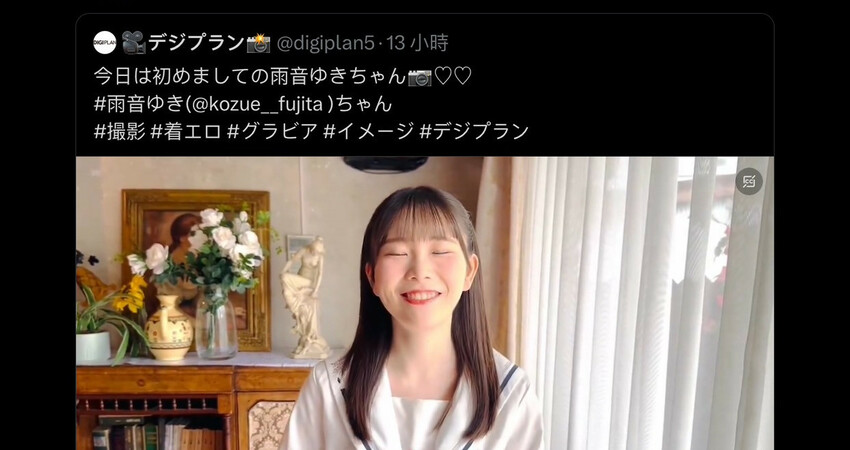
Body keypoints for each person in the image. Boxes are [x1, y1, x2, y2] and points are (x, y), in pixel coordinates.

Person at [281, 186, 544, 449]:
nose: (420, 271)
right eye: (398, 253)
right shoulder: (327, 386)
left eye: (440, 252)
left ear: (469, 271)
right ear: (372, 276)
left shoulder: (511, 392)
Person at [281, 237, 329, 357]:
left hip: (309, 283)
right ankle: (295, 307)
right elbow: (292, 261)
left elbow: (320, 275)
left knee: (286, 279)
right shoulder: (304, 250)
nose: (315, 253)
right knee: (285, 278)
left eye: (317, 252)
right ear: (311, 247)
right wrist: (283, 271)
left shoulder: (320, 257)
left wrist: (315, 291)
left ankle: (311, 338)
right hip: (299, 280)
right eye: (313, 250)